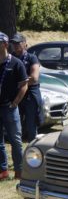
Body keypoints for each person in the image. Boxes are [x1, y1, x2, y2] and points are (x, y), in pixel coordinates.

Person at [0, 32, 28, 180]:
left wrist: (15, 103)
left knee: (15, 140)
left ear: (4, 44)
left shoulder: (16, 63)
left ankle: (19, 170)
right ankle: (3, 170)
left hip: (9, 108)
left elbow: (24, 85)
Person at [10, 32, 43, 142]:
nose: (15, 45)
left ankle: (33, 147)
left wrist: (18, 83)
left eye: (18, 43)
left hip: (30, 94)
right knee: (15, 121)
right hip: (16, 94)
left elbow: (34, 78)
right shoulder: (11, 58)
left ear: (25, 44)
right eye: (13, 43)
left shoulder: (31, 58)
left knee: (31, 123)